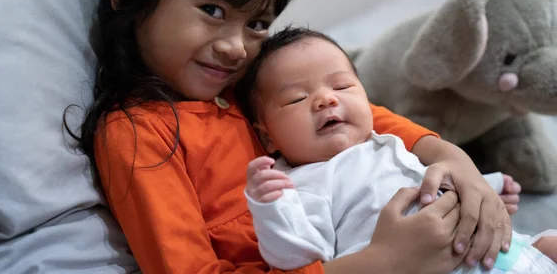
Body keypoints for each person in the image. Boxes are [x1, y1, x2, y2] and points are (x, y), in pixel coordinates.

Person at [67, 0, 520, 273]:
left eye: (257, 24)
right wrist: (382, 263)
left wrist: (453, 159)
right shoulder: (138, 135)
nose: (235, 46)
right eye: (212, 9)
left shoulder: (236, 84)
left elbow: (366, 118)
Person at [237, 27, 557, 273]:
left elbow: (428, 182)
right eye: (296, 98)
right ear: (267, 139)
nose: (326, 99)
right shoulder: (302, 184)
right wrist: (270, 209)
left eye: (341, 86)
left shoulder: (383, 142)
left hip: (505, 251)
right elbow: (296, 256)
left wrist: (487, 186)